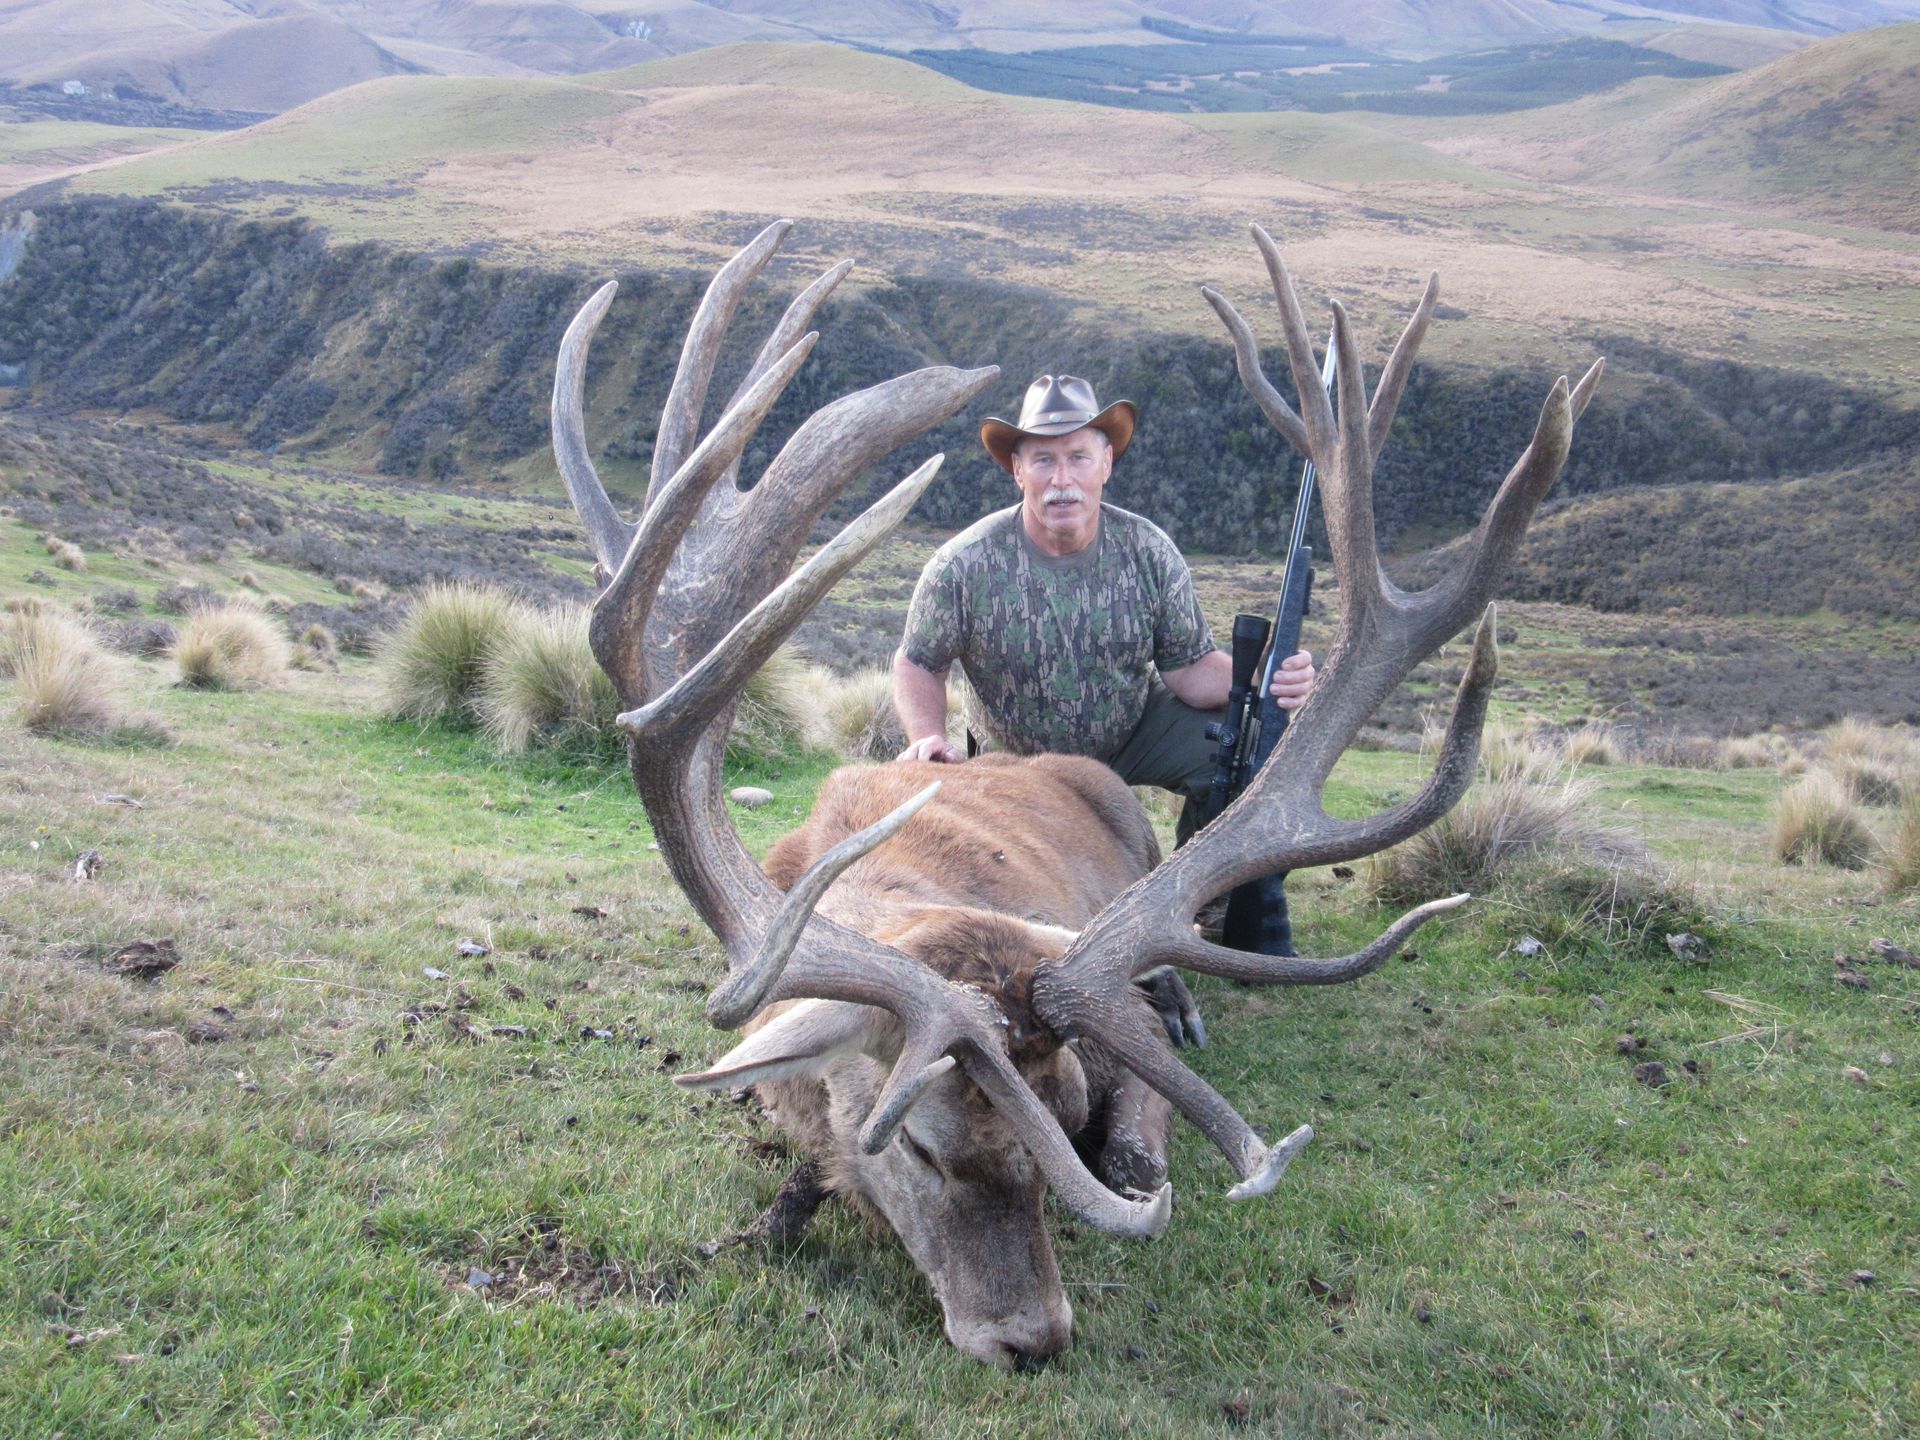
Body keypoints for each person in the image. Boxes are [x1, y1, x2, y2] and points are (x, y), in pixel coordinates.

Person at [891, 373, 1315, 956]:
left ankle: (1206, 900)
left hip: (1130, 731)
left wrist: (1267, 677)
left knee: (1241, 740)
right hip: (1013, 761)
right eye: (1043, 461)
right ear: (1017, 470)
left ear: (1106, 463)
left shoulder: (1148, 552)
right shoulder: (963, 565)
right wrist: (927, 737)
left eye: (1078, 458)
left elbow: (1191, 673)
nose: (1061, 480)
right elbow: (918, 663)